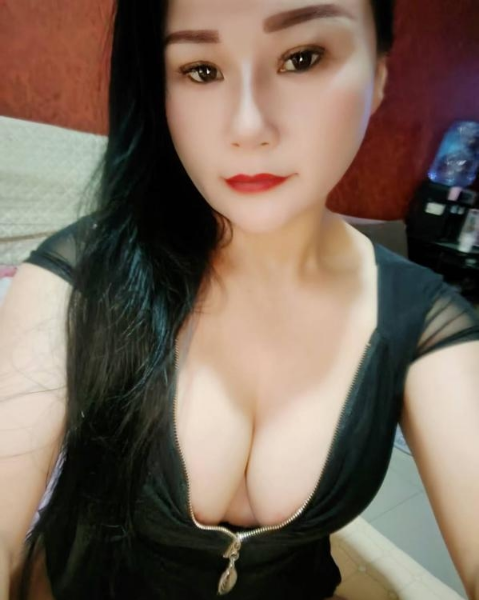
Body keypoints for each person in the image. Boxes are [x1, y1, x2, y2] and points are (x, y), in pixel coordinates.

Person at [1, 0, 479, 599]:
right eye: (201, 70)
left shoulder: (424, 319)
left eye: (302, 58)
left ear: (378, 75)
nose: (249, 126)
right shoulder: (79, 275)